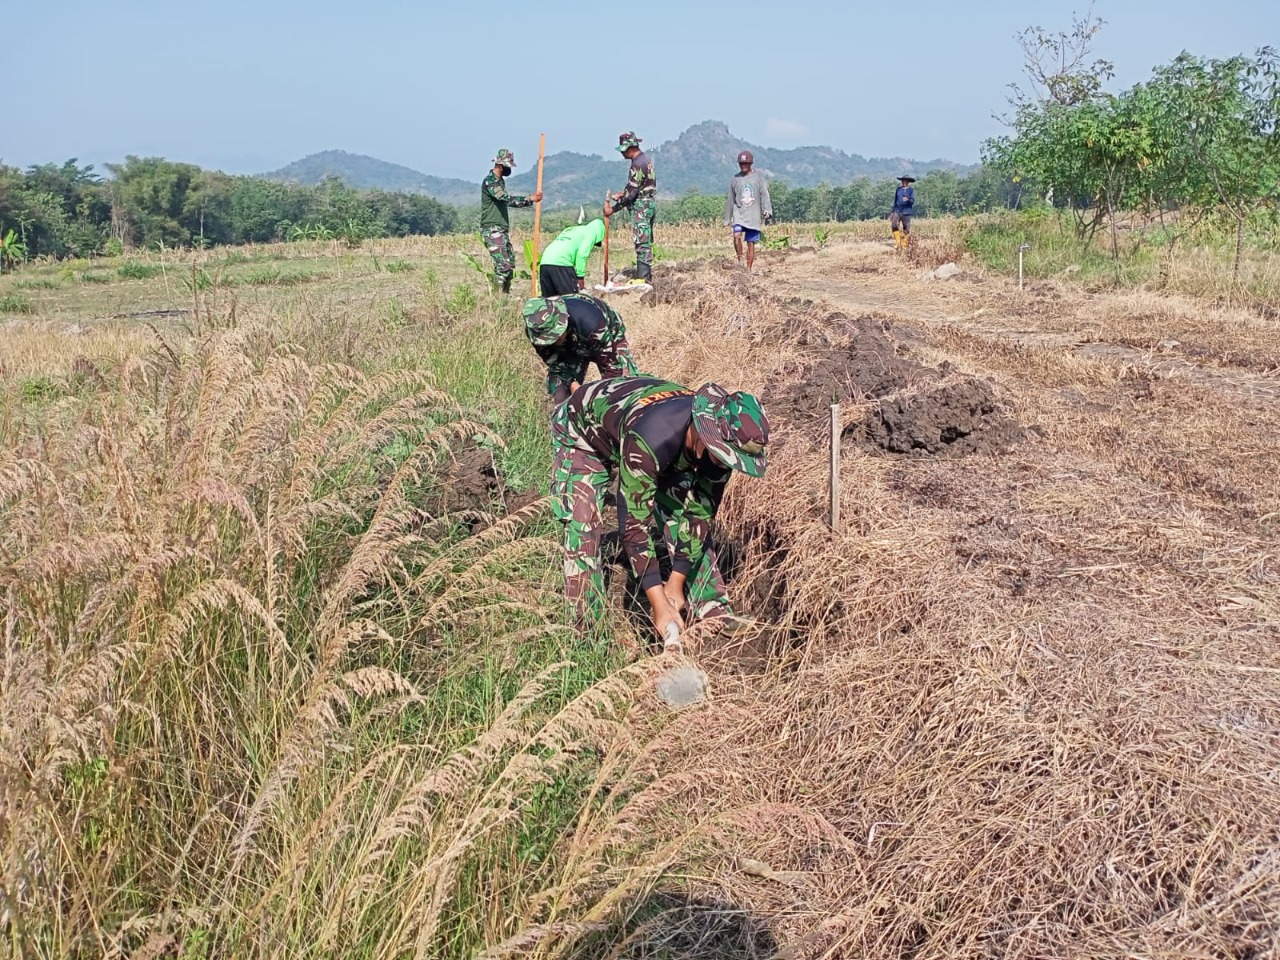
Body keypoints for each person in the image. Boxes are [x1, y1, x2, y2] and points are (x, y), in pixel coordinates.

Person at [552, 377, 769, 647]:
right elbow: (633, 524)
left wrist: (675, 584)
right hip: (583, 432)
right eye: (723, 456)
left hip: (648, 432)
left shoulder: (718, 447)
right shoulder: (650, 438)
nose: (726, 465)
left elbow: (699, 514)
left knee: (681, 512)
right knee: (582, 524)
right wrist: (658, 602)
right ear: (706, 434)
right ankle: (587, 635)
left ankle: (711, 609)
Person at [523, 293, 640, 404]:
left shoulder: (592, 323)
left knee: (624, 388)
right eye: (549, 340)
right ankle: (565, 421)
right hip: (572, 345)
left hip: (607, 335)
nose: (555, 341)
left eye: (557, 335)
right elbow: (557, 366)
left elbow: (612, 370)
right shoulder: (537, 333)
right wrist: (573, 385)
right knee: (560, 389)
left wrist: (600, 400)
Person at [480, 148, 542, 293]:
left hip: (500, 229)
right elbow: (504, 198)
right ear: (500, 165)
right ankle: (498, 301)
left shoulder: (500, 181)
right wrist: (529, 199)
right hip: (492, 229)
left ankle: (505, 295)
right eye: (508, 166)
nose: (509, 170)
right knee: (503, 266)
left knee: (509, 264)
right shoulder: (491, 182)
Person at [603, 132, 657, 283]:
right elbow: (636, 187)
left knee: (642, 242)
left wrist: (613, 209)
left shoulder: (637, 164)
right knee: (645, 241)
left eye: (623, 149)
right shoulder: (645, 159)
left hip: (641, 207)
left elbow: (631, 195)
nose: (621, 152)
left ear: (630, 148)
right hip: (648, 204)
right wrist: (624, 193)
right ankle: (645, 277)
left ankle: (643, 279)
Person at [724, 150, 772, 271]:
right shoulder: (735, 179)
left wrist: (767, 210)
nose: (743, 166)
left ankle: (749, 269)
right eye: (741, 164)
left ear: (750, 164)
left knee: (750, 243)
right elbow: (730, 199)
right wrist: (727, 218)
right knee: (736, 236)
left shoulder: (758, 178)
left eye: (745, 164)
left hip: (753, 215)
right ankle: (740, 260)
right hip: (739, 213)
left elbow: (764, 195)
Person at [537, 218, 606, 296]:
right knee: (570, 300)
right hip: (562, 263)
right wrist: (580, 277)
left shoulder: (573, 230)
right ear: (600, 234)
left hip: (545, 262)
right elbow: (582, 255)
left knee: (549, 301)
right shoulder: (591, 233)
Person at [891, 176, 916, 250]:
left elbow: (912, 201)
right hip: (897, 210)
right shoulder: (898, 190)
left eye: (905, 181)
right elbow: (895, 201)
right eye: (902, 181)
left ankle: (904, 244)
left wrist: (908, 199)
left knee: (906, 228)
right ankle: (898, 243)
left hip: (906, 211)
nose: (903, 182)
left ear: (908, 182)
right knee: (894, 225)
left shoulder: (911, 190)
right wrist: (893, 211)